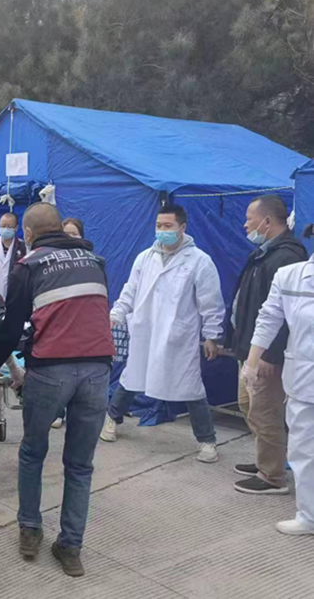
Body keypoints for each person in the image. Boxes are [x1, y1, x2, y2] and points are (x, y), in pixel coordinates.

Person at [0, 203, 114, 578]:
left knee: (33, 452)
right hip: (97, 371)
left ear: (27, 233)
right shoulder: (96, 262)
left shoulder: (29, 266)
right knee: (80, 464)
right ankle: (71, 548)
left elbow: (11, 329)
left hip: (50, 370)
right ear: (60, 227)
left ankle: (30, 530)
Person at [102, 204, 225, 464]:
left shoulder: (199, 261)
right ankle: (112, 418)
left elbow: (211, 302)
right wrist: (117, 313)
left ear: (182, 227)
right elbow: (130, 290)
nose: (162, 230)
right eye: (159, 226)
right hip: (145, 330)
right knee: (132, 377)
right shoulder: (145, 257)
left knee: (191, 387)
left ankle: (207, 441)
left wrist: (212, 335)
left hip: (178, 336)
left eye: (168, 226)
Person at [227, 195, 306, 495]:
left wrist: (270, 356)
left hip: (266, 355)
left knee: (265, 410)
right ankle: (268, 457)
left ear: (268, 221)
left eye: (250, 218)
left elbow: (284, 316)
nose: (245, 224)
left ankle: (272, 475)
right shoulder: (264, 254)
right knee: (249, 405)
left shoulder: (286, 258)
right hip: (251, 349)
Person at [242, 232, 314, 535]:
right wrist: (251, 363)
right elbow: (268, 318)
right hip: (304, 379)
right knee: (303, 449)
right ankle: (309, 516)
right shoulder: (291, 276)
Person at [49, 217, 88, 430]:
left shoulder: (90, 261)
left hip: (81, 324)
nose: (70, 238)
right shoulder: (51, 261)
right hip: (60, 324)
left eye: (74, 234)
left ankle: (75, 412)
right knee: (60, 371)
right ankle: (58, 412)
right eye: (66, 234)